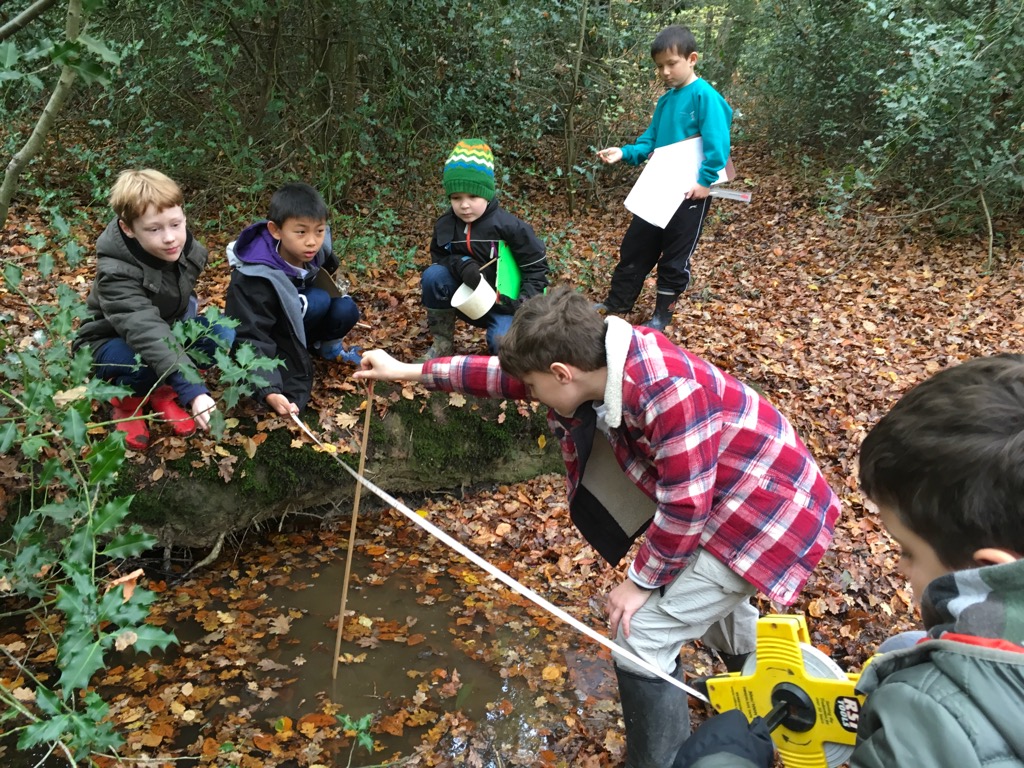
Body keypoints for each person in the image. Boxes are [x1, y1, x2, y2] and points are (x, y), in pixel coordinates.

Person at [354, 287, 840, 767]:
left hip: (766, 517)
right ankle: (757, 684)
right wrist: (408, 371)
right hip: (730, 500)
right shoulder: (600, 359)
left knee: (640, 636)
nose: (530, 394)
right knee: (703, 604)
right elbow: (506, 377)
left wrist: (641, 582)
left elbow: (686, 507)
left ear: (562, 374)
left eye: (537, 386)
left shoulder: (663, 390)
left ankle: (664, 761)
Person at [678, 354, 1024, 768]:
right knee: (904, 645)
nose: (900, 568)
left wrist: (720, 764)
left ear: (981, 569)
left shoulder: (929, 723)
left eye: (908, 550)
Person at [73, 169, 234, 450]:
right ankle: (126, 402)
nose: (170, 238)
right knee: (143, 359)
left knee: (221, 333)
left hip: (164, 331)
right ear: (128, 228)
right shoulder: (116, 272)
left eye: (175, 224)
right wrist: (193, 389)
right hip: (107, 344)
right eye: (154, 229)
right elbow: (145, 330)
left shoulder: (185, 250)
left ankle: (163, 393)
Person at [595, 24, 732, 331]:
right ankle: (618, 302)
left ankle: (662, 315)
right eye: (660, 67)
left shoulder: (705, 97)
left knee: (675, 256)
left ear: (692, 58)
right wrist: (625, 152)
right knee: (636, 246)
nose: (666, 72)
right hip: (658, 188)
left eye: (672, 64)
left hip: (689, 195)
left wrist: (705, 181)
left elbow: (718, 143)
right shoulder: (666, 101)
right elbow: (650, 141)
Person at [224, 182, 361, 415]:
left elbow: (327, 276)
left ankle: (325, 349)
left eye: (319, 231)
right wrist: (269, 388)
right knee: (317, 299)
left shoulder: (316, 253)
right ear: (275, 230)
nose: (312, 241)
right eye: (301, 232)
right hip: (273, 333)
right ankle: (290, 352)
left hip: (300, 321)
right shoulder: (255, 275)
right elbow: (249, 334)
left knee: (345, 308)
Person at [421, 138, 548, 357]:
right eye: (456, 197)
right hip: (467, 300)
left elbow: (537, 269)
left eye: (473, 196)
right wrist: (462, 264)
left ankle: (505, 353)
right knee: (433, 276)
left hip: (507, 307)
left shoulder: (510, 227)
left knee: (501, 345)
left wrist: (523, 305)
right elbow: (440, 260)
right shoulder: (445, 224)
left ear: (487, 193)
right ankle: (442, 345)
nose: (464, 205)